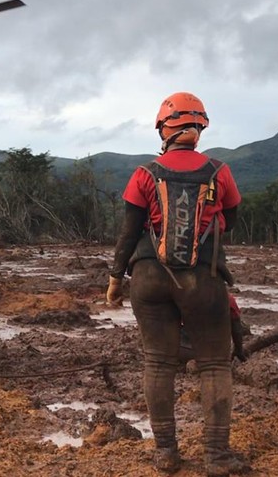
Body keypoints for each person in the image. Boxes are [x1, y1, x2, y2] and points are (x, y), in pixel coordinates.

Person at [106, 92, 246, 475]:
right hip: (203, 279)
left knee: (158, 362)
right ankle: (217, 456)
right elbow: (230, 218)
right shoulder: (220, 172)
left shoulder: (144, 173)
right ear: (199, 129)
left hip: (149, 277)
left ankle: (166, 452)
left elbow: (129, 232)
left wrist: (116, 278)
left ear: (162, 129)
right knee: (215, 364)